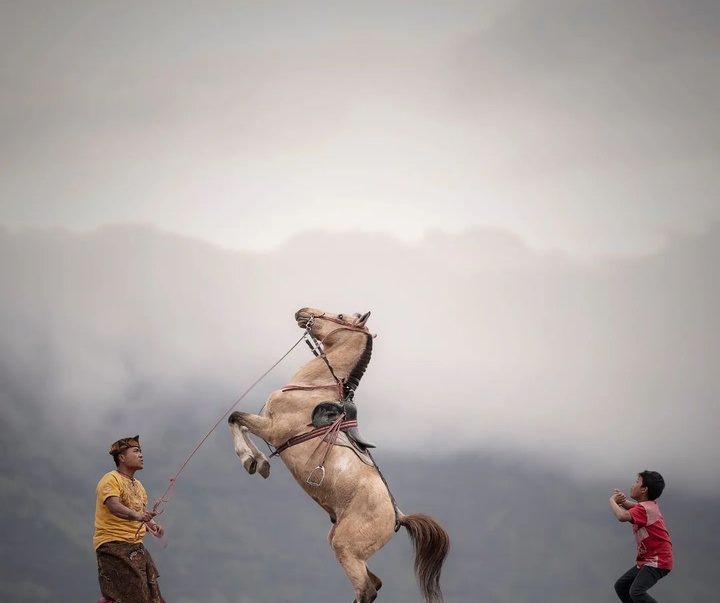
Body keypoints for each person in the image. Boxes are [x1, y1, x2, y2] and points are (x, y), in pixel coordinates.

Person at [94, 435, 166, 603]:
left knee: (151, 596)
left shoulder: (139, 486)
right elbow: (114, 506)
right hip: (113, 545)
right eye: (136, 451)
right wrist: (138, 516)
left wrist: (153, 526)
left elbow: (142, 512)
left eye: (141, 451)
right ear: (122, 457)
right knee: (132, 596)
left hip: (135, 547)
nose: (141, 455)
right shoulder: (110, 479)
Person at [609, 470, 673, 603]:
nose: (633, 485)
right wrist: (621, 501)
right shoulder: (646, 507)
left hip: (658, 560)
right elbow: (631, 507)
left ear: (644, 489)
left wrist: (613, 501)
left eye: (637, 482)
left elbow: (622, 516)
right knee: (621, 586)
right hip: (647, 560)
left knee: (636, 592)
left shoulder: (645, 509)